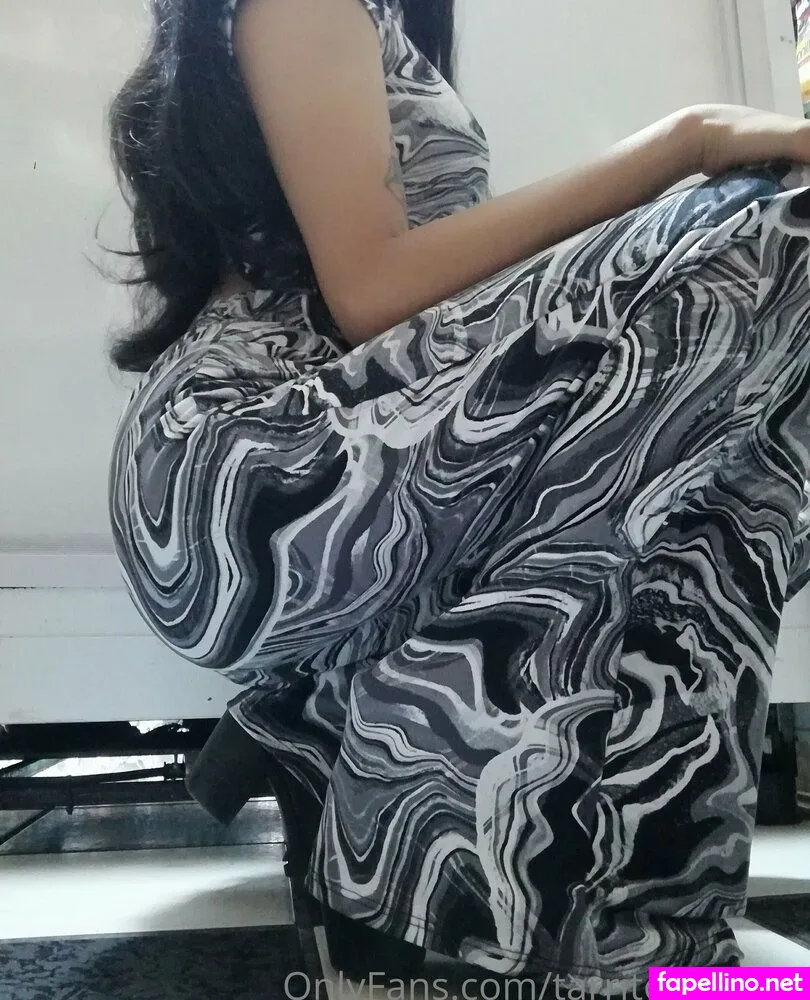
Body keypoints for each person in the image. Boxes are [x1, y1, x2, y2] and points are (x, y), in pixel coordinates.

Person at [107, 0, 810, 990]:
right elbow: (371, 292)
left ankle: (611, 899)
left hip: (316, 454)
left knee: (690, 500)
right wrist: (686, 143)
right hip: (257, 468)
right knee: (765, 238)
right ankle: (446, 833)